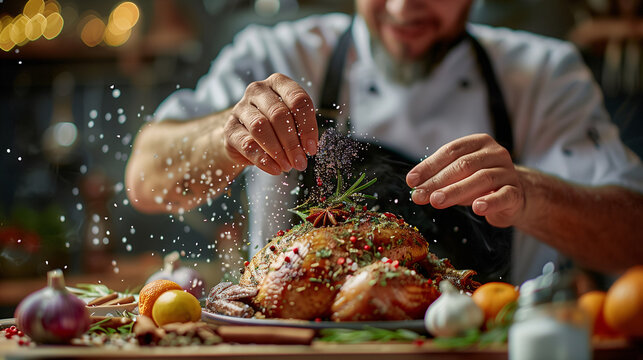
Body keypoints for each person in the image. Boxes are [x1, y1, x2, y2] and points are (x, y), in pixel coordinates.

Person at [125, 0, 643, 284]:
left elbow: (632, 237)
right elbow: (145, 182)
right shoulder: (278, 54)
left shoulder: (543, 73)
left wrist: (533, 194)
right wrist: (226, 136)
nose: (402, 9)